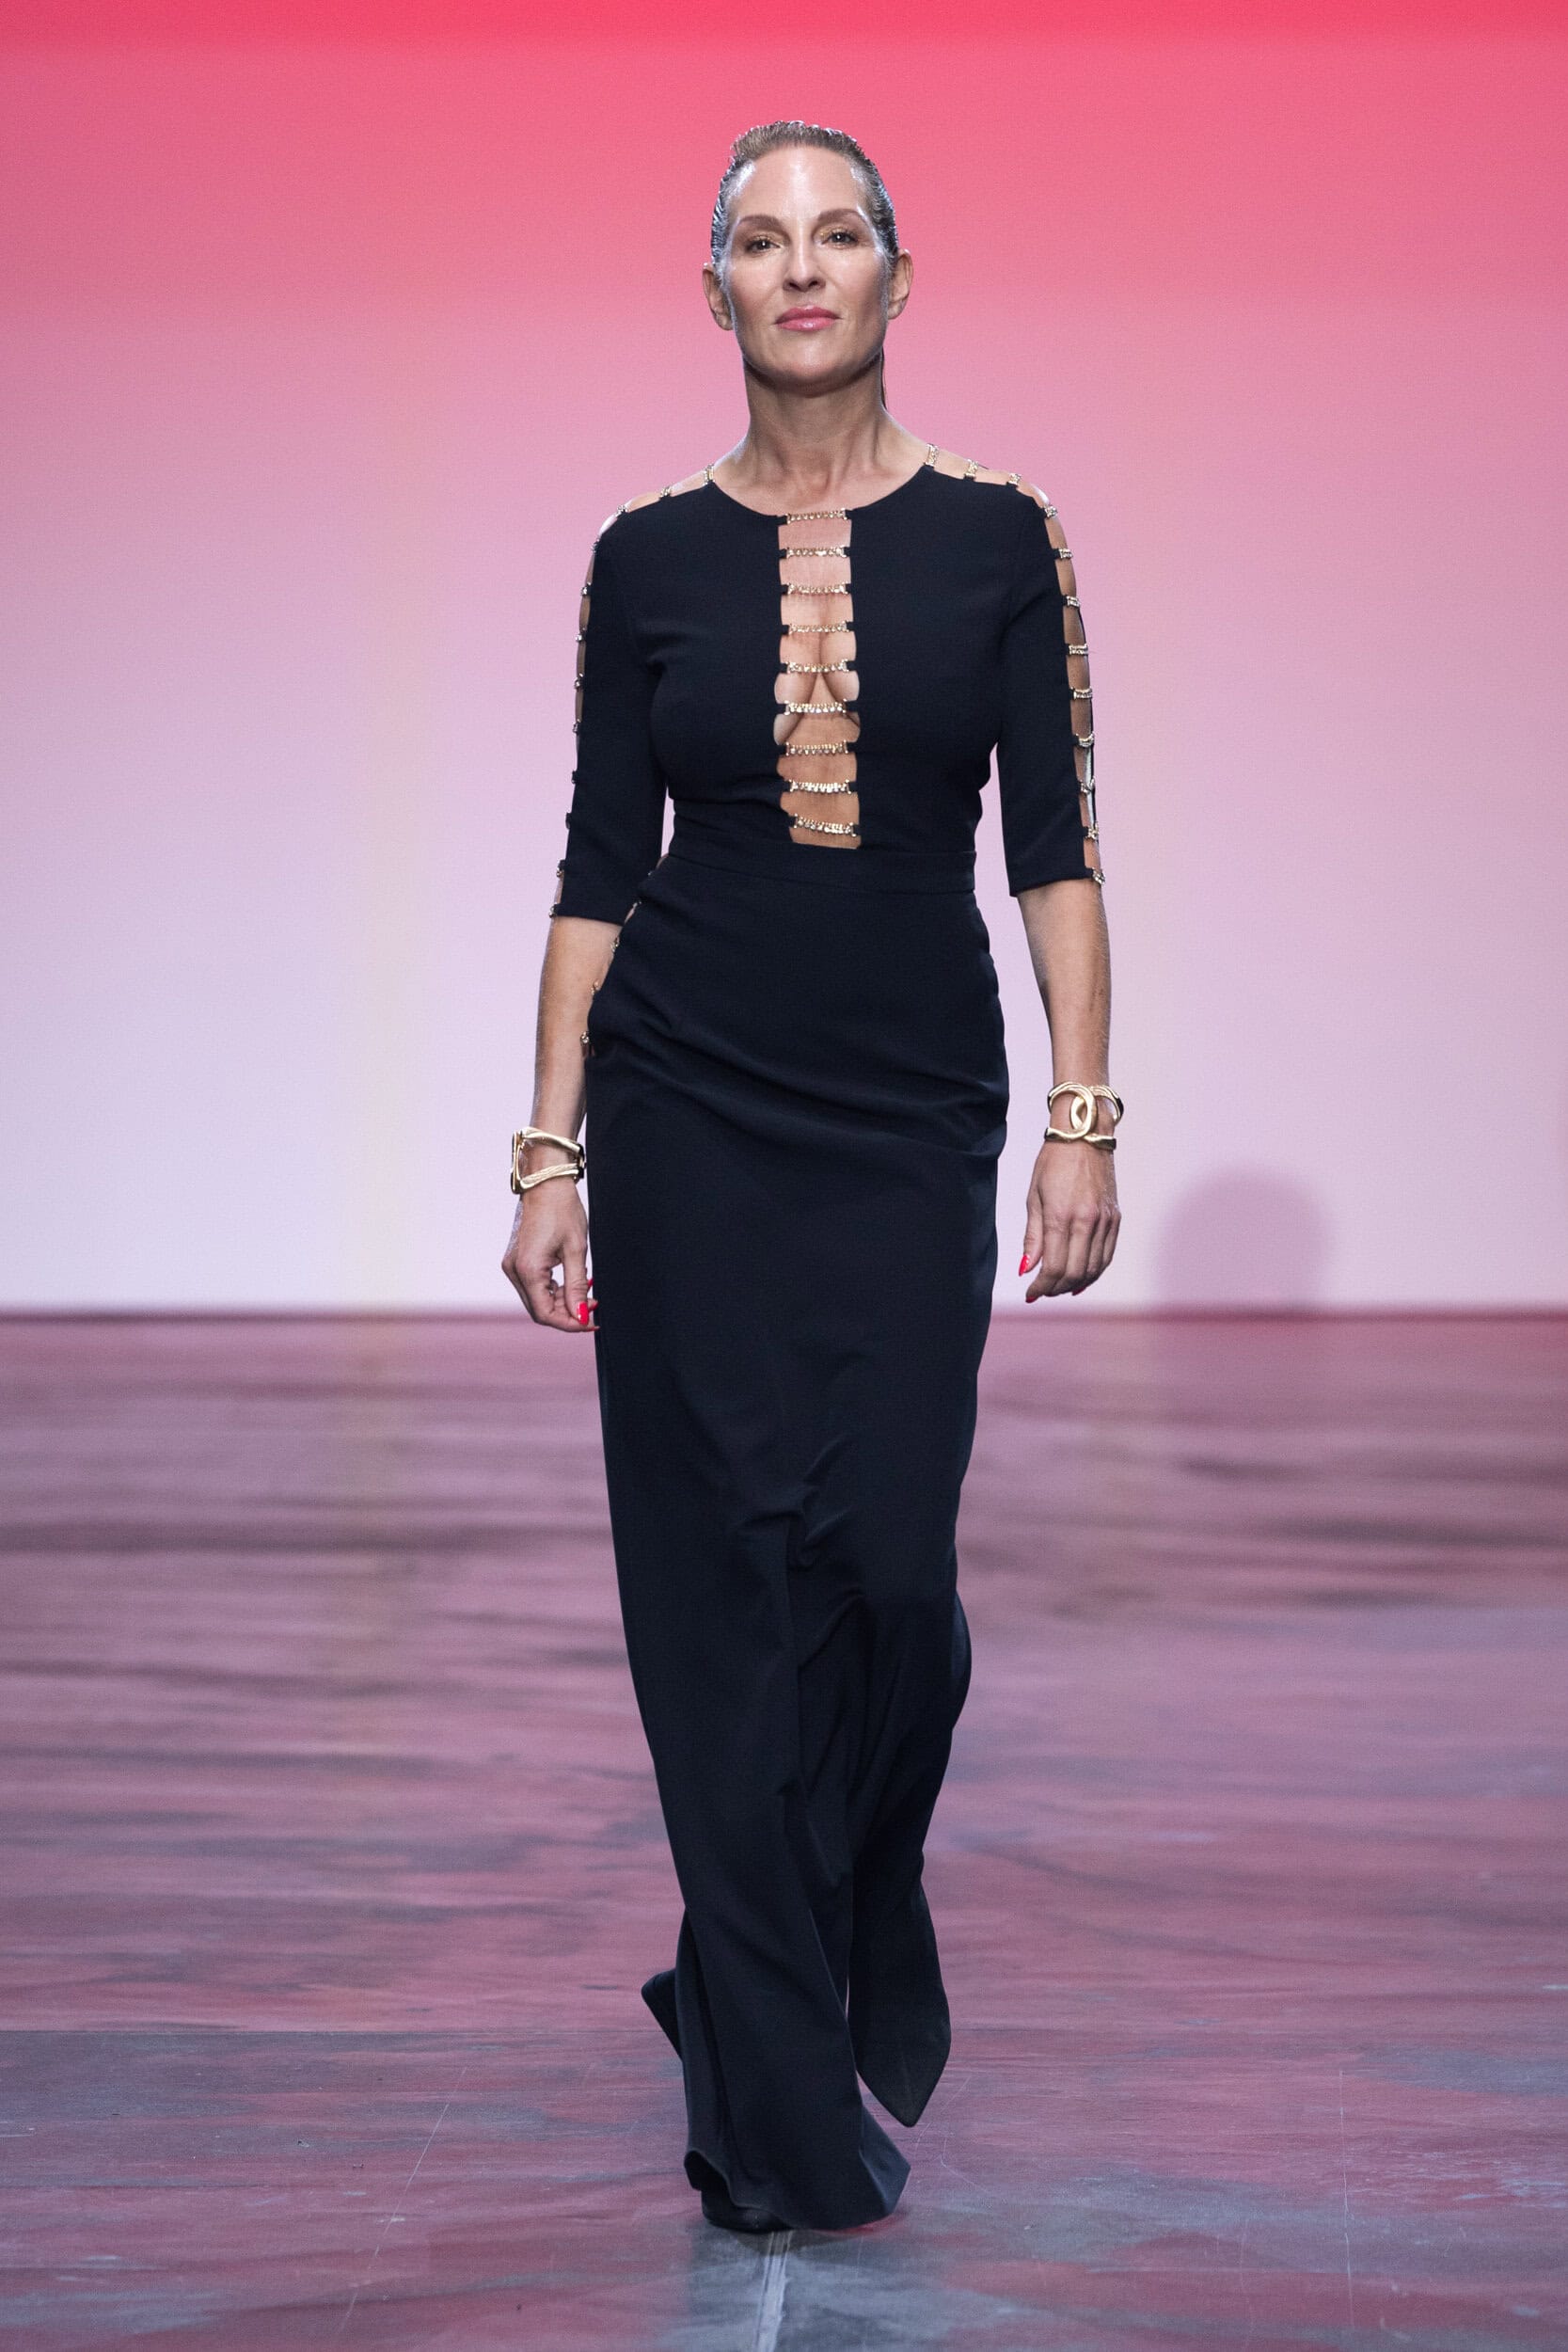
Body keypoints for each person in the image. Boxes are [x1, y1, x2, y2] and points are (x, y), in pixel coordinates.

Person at [502, 119, 1120, 2234]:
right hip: (685, 1103)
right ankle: (768, 2082)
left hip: (907, 1110)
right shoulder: (643, 557)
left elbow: (1057, 847)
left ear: (895, 278)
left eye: (836, 232)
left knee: (889, 1579)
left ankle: (808, 1932)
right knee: (719, 1586)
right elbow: (600, 866)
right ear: (715, 293)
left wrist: (1083, 1111)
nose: (800, 266)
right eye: (760, 240)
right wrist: (549, 1148)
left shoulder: (1002, 538)